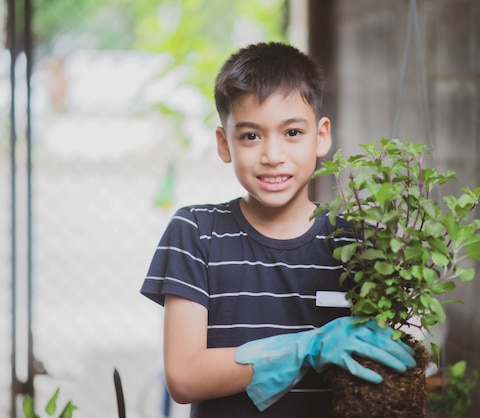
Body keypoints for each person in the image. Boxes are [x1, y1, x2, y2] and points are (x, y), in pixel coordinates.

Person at [140, 42, 416, 418]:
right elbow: (184, 377)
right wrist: (309, 346)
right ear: (224, 144)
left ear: (321, 136)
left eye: (292, 133)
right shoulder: (197, 233)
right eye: (251, 136)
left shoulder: (358, 242)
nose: (272, 155)